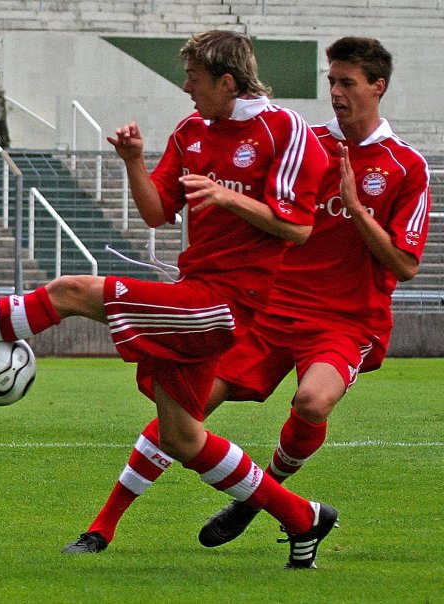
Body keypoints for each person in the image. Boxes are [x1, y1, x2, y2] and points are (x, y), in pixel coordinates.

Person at [0, 30, 339, 569]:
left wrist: (228, 197)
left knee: (70, 291)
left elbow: (298, 228)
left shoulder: (285, 130)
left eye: (194, 78)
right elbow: (156, 212)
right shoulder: (192, 130)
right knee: (183, 438)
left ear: (227, 82)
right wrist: (134, 161)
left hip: (230, 303)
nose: (186, 88)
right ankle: (302, 517)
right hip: (194, 291)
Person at [59, 36, 431, 558]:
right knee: (184, 411)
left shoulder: (405, 165)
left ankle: (260, 497)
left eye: (348, 82)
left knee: (312, 401)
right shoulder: (303, 142)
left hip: (345, 320)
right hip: (269, 308)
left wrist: (354, 208)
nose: (336, 92)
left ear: (378, 87)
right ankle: (103, 527)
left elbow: (406, 265)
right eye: (331, 81)